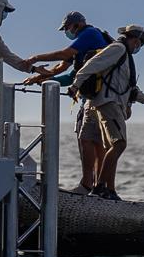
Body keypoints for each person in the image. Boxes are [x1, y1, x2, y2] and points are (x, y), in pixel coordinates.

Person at [22, 12, 112, 193]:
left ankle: (88, 185)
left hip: (96, 99)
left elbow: (65, 54)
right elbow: (64, 70)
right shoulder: (84, 45)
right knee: (94, 141)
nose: (66, 32)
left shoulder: (89, 34)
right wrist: (39, 78)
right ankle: (97, 185)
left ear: (76, 25)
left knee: (87, 139)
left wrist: (36, 58)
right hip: (93, 98)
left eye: (67, 28)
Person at [69, 23, 144, 201]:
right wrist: (76, 84)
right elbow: (93, 65)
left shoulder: (122, 54)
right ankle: (100, 187)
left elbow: (129, 89)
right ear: (135, 39)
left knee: (109, 146)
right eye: (139, 43)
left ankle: (105, 188)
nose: (139, 47)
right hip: (109, 104)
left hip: (98, 104)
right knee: (119, 144)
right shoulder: (118, 49)